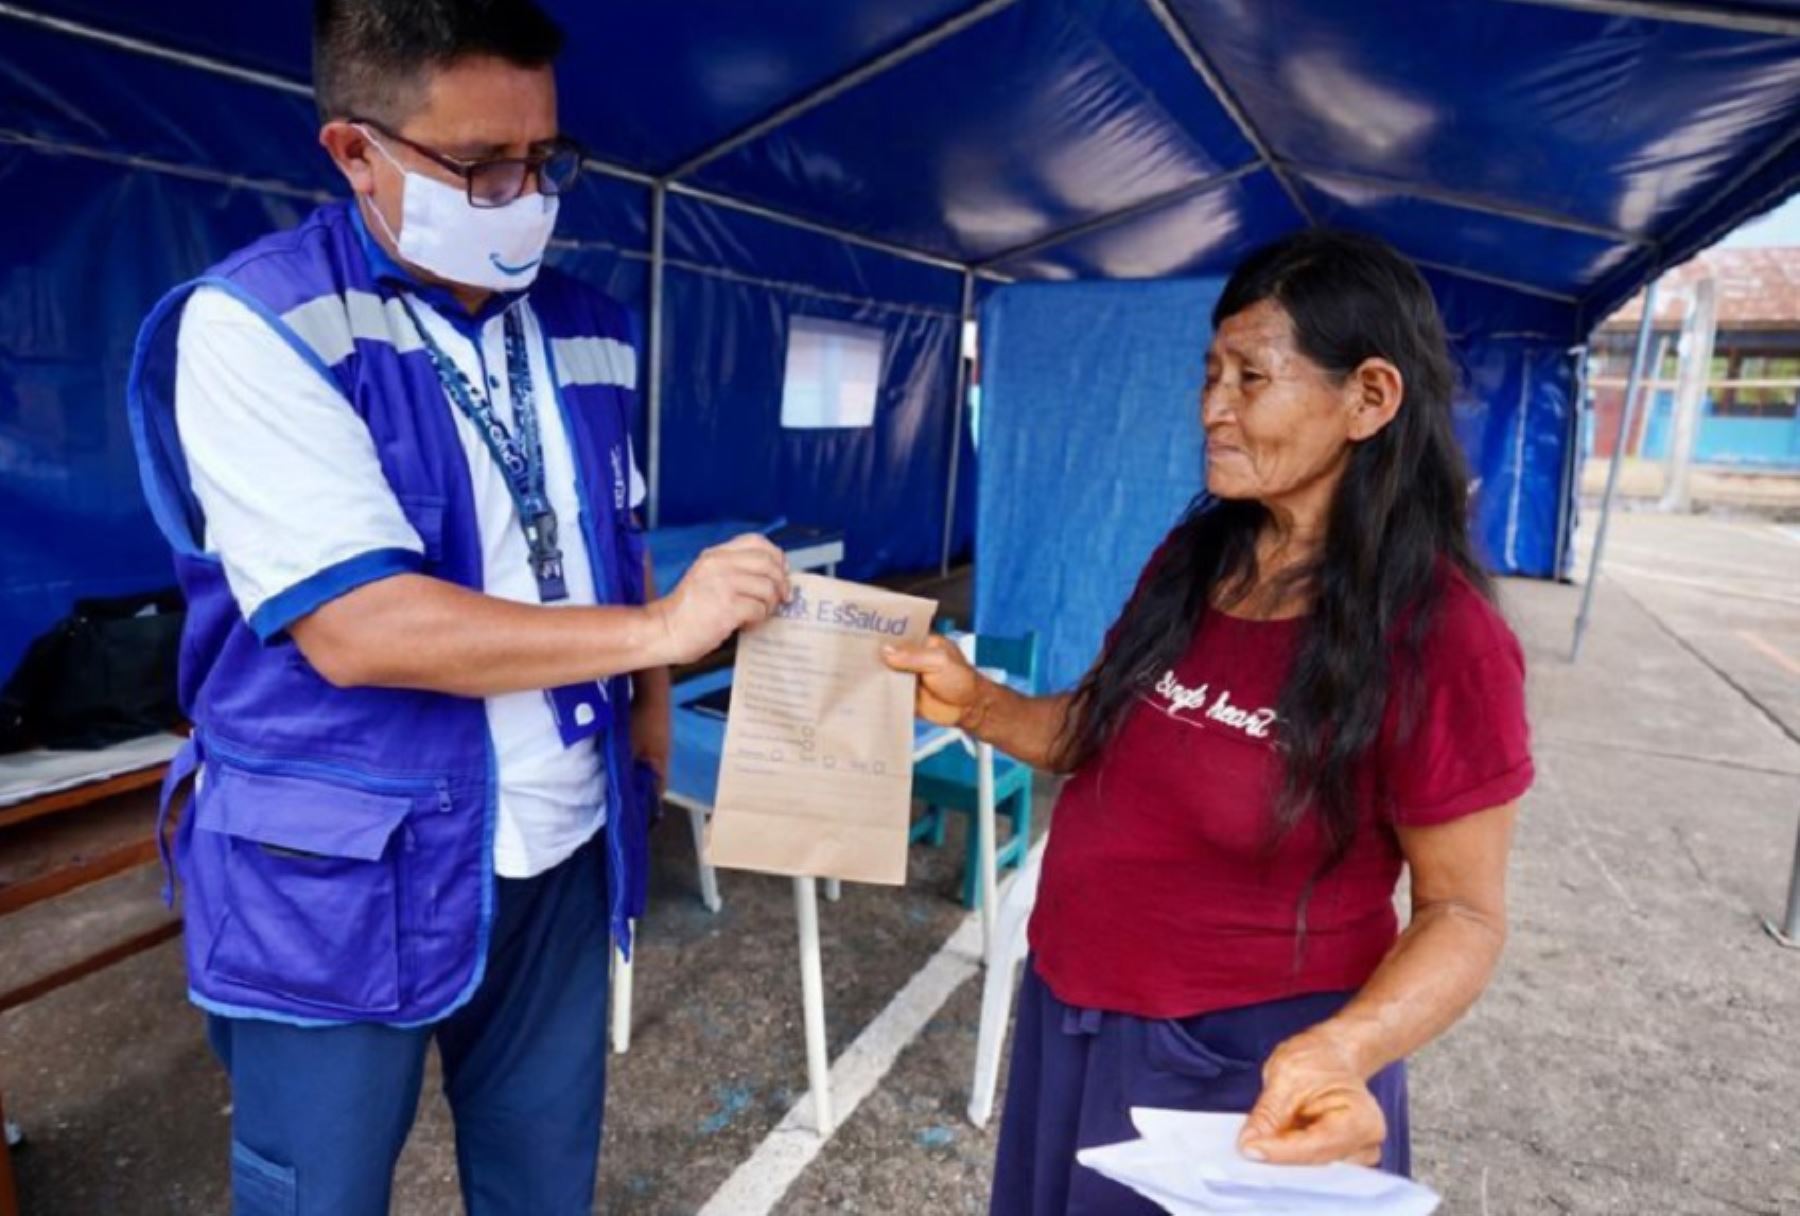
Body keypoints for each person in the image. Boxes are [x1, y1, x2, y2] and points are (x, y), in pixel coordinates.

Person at [125, 3, 789, 1213]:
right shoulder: (254, 326)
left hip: (562, 835)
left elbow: (611, 542)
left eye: (543, 160)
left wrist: (646, 718)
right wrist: (658, 638)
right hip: (341, 874)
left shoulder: (590, 322)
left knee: (543, 1176)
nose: (524, 195)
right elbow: (360, 624)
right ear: (354, 150)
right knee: (315, 1190)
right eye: (480, 166)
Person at [886, 230, 1532, 1214]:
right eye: (1211, 373)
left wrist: (1345, 1049)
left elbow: (1465, 914)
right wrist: (973, 701)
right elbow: (1095, 735)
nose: (1212, 407)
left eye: (1250, 378)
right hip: (1076, 1013)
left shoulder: (1442, 638)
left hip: (1244, 1076)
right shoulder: (1201, 555)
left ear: (1369, 398)